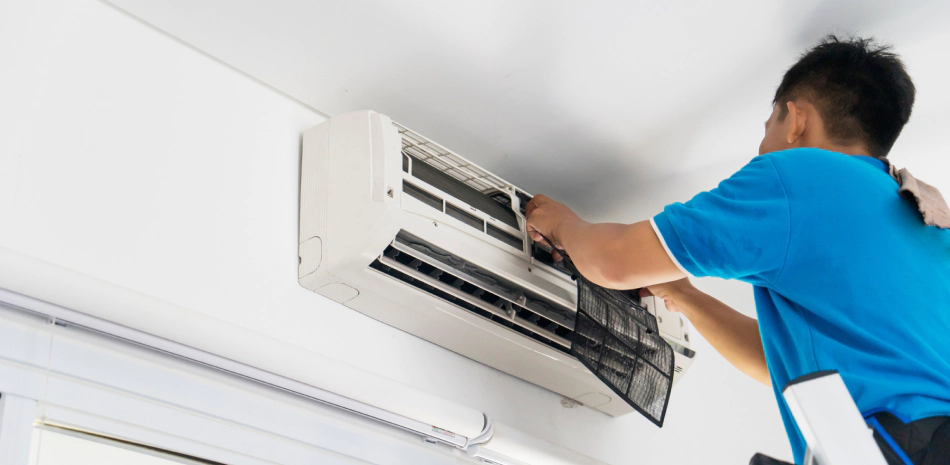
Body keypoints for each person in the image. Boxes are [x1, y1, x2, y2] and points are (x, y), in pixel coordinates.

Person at [525, 35, 950, 465]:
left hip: (898, 447)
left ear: (796, 119)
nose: (763, 145)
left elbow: (613, 261)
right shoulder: (927, 224)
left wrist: (562, 224)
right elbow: (781, 365)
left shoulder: (798, 177)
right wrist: (686, 296)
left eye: (768, 127)